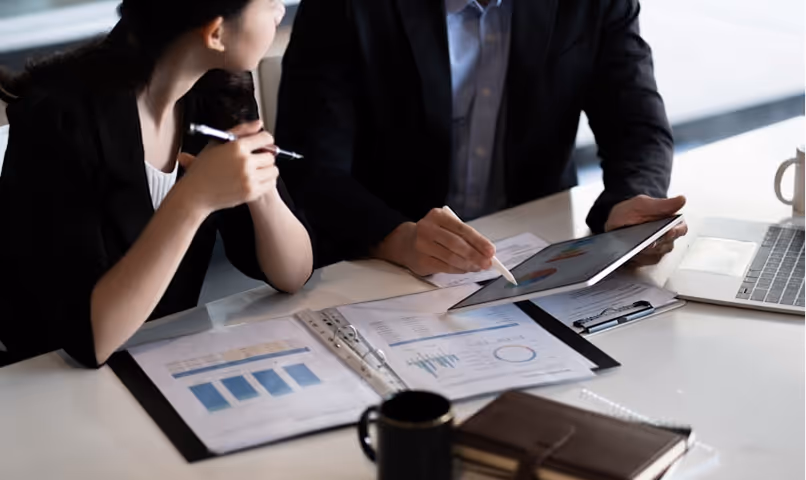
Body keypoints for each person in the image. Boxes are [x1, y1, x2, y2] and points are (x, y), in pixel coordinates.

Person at [0, 0, 313, 367]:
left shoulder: (220, 90)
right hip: (46, 378)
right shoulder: (59, 117)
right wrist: (194, 199)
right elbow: (88, 340)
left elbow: (293, 274)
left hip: (158, 361)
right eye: (270, 3)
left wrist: (262, 189)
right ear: (215, 33)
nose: (280, 12)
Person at [275, 0, 687, 275]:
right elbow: (309, 165)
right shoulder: (345, 6)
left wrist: (629, 201)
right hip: (381, 263)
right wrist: (398, 239)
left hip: (536, 254)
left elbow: (637, 125)